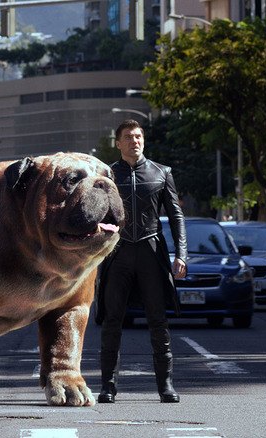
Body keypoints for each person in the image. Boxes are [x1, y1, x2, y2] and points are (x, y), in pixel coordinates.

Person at [96, 119, 187, 404]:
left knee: (158, 321)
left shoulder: (162, 173)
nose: (134, 141)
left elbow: (176, 215)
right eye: (128, 137)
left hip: (151, 251)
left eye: (138, 137)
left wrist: (181, 254)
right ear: (118, 142)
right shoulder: (106, 175)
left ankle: (166, 387)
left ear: (143, 141)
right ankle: (108, 387)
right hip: (118, 252)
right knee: (112, 321)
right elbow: (96, 215)